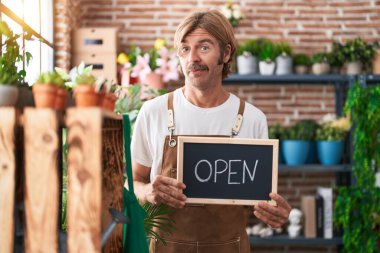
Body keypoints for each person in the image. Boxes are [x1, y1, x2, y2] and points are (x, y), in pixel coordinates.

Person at [128, 9, 292, 253]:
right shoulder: (153, 111)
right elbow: (132, 182)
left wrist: (274, 212)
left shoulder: (252, 119)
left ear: (225, 53)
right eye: (185, 49)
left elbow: (261, 199)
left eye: (203, 47)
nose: (192, 58)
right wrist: (148, 191)